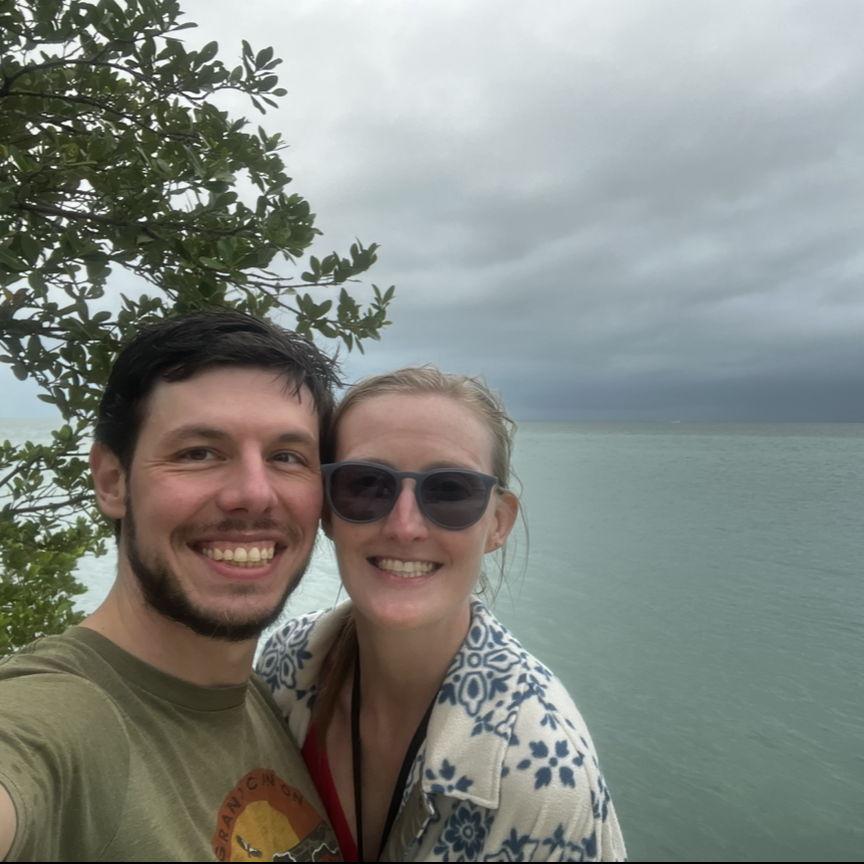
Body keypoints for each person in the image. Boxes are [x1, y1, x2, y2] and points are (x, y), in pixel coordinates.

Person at [0, 311, 343, 862]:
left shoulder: (269, 700)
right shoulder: (62, 719)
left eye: (287, 457)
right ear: (113, 482)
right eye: (198, 452)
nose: (254, 494)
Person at [256, 367, 627, 862]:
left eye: (450, 491)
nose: (405, 526)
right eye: (366, 485)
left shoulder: (537, 772)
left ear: (497, 523)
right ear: (326, 510)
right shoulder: (287, 664)